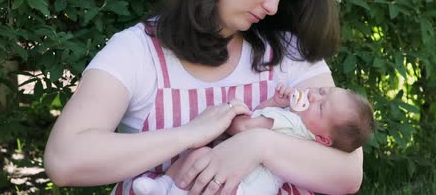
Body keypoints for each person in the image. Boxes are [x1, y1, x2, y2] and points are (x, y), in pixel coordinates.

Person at [44, 0, 364, 195]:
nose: (273, 7)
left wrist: (258, 145)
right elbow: (64, 160)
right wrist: (189, 134)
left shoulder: (288, 53)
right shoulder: (137, 53)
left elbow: (348, 173)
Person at [131, 84, 375, 195]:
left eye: (321, 108)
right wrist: (274, 103)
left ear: (323, 138)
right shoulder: (300, 130)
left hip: (242, 184)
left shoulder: (292, 123)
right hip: (254, 186)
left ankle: (165, 186)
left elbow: (246, 126)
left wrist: (230, 113)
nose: (313, 97)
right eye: (322, 92)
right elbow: (263, 115)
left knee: (198, 155)